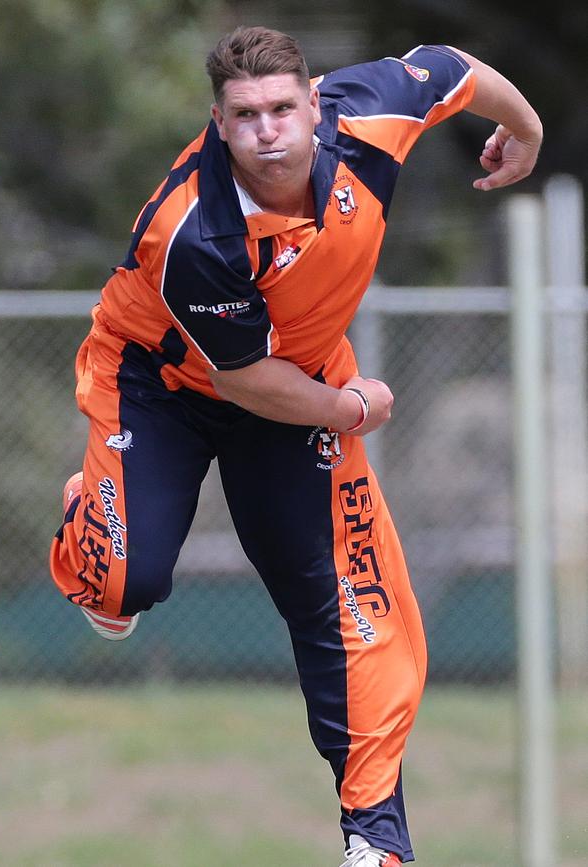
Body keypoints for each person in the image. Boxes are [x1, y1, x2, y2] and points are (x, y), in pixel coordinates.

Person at [49, 25, 542, 866]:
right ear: (219, 123)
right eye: (246, 116)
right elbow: (245, 381)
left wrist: (525, 131)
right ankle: (90, 519)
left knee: (348, 599)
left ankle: (376, 837)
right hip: (166, 384)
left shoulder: (370, 117)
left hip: (296, 381)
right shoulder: (193, 230)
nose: (269, 130)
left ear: (316, 104)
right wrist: (352, 408)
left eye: (284, 108)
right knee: (124, 583)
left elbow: (454, 71)